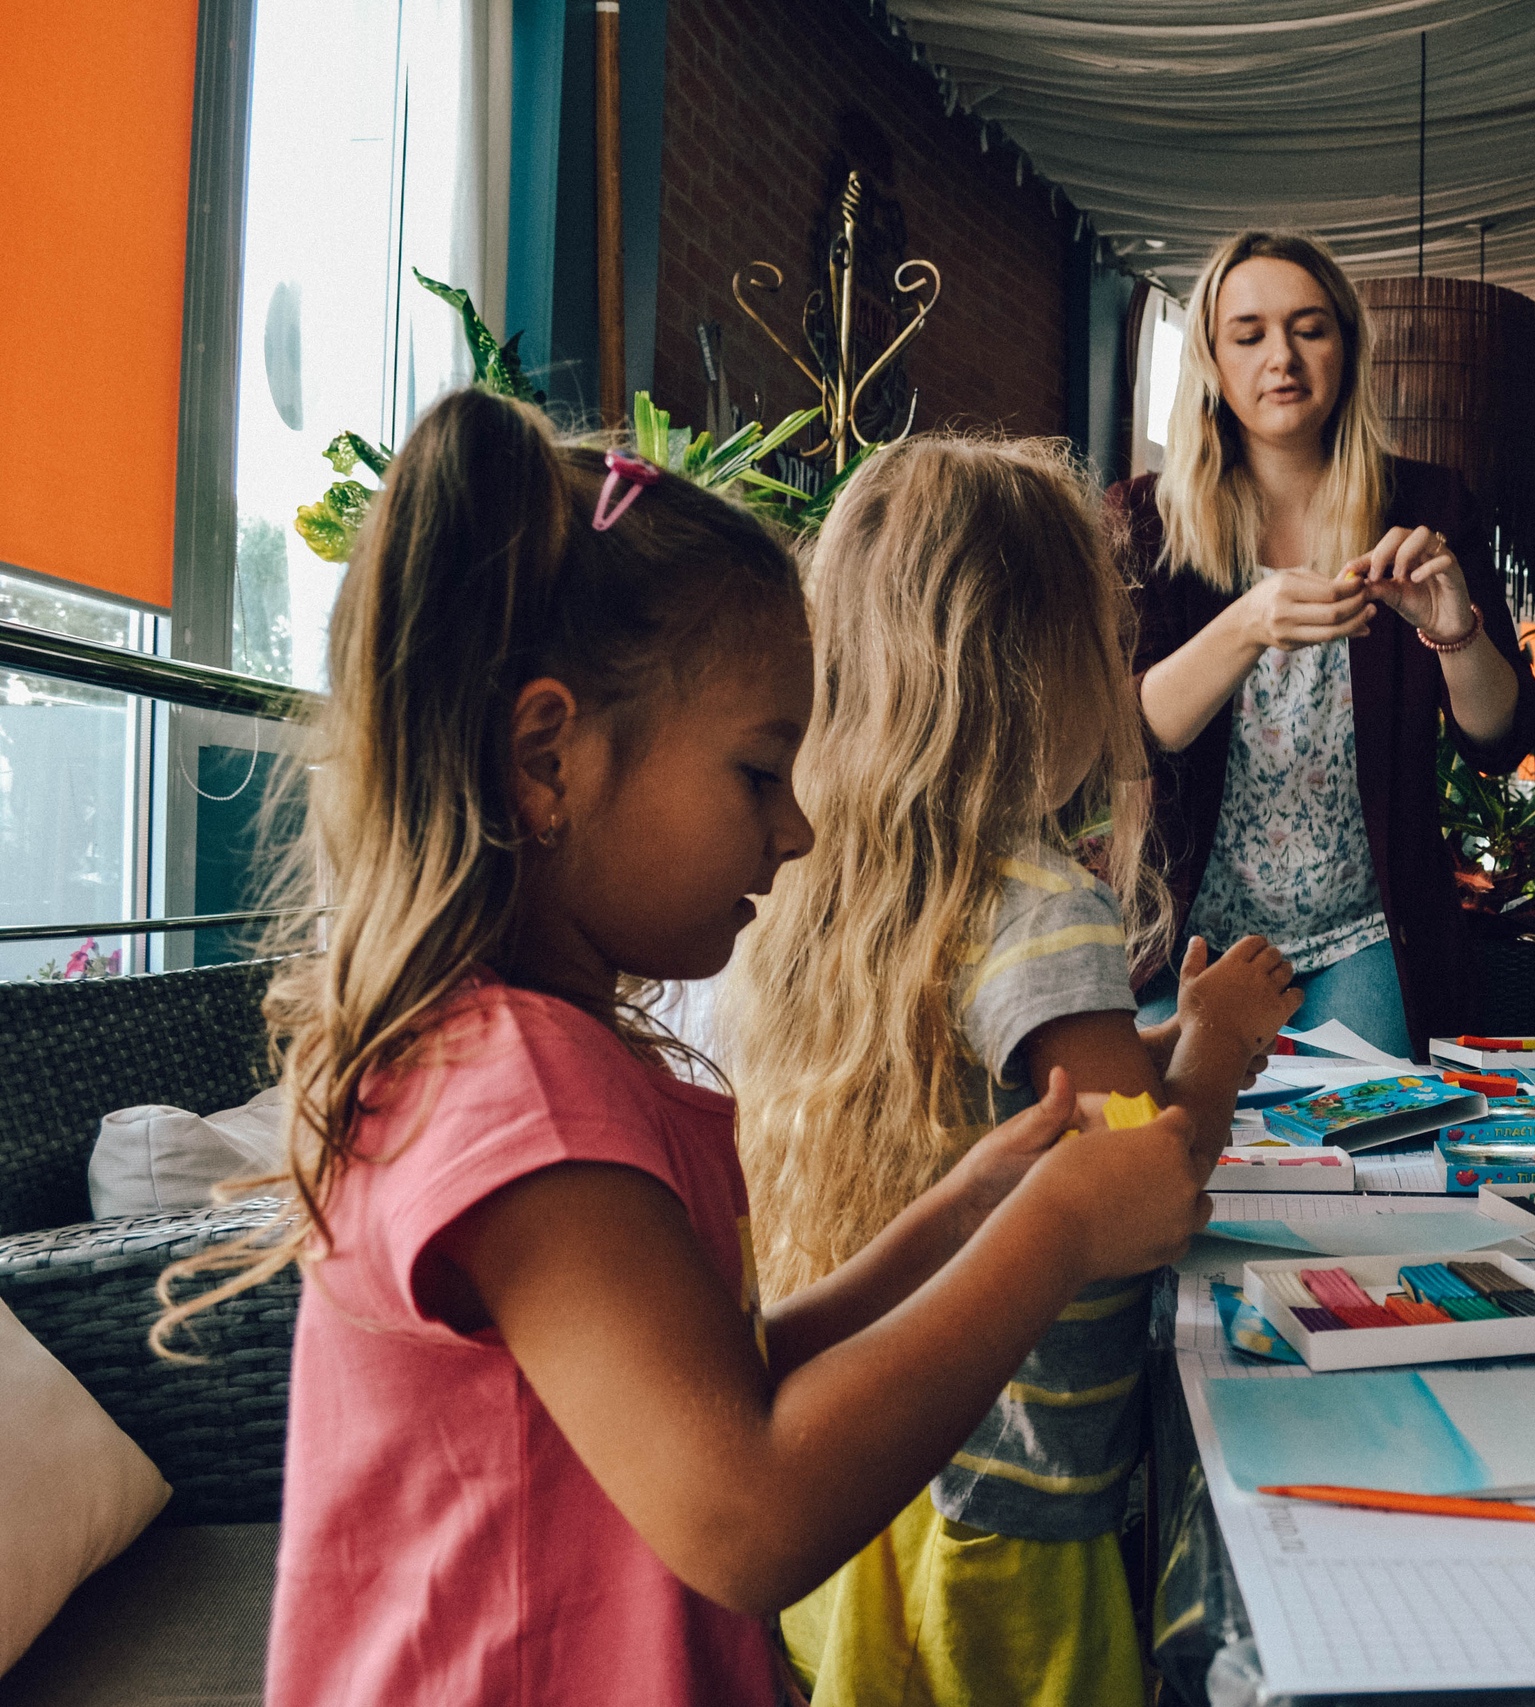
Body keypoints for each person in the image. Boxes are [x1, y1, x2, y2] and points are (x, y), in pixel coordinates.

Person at [156, 391, 1214, 1707]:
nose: (799, 829)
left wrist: (967, 1211)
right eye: (759, 772)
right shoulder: (520, 1098)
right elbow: (749, 1516)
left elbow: (732, 1368)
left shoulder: (533, 1060)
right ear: (548, 758)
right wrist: (1054, 1229)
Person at [721, 435, 1302, 1707]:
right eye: (1105, 638)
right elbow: (1145, 1191)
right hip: (1018, 1497)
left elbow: (1023, 1111)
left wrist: (1170, 1040)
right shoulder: (1043, 902)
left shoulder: (839, 884)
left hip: (881, 1463)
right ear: (1040, 669)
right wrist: (1217, 1041)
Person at [1111, 228, 1535, 1060]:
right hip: (1189, 938)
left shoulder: (1426, 505)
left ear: (1346, 346)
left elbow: (1502, 740)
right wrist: (1246, 623)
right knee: (1158, 1137)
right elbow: (1126, 741)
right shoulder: (1144, 520)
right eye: (1249, 335)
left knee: (1374, 1143)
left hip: (1369, 937)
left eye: (1309, 329)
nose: (1283, 357)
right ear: (1211, 359)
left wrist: (1453, 629)